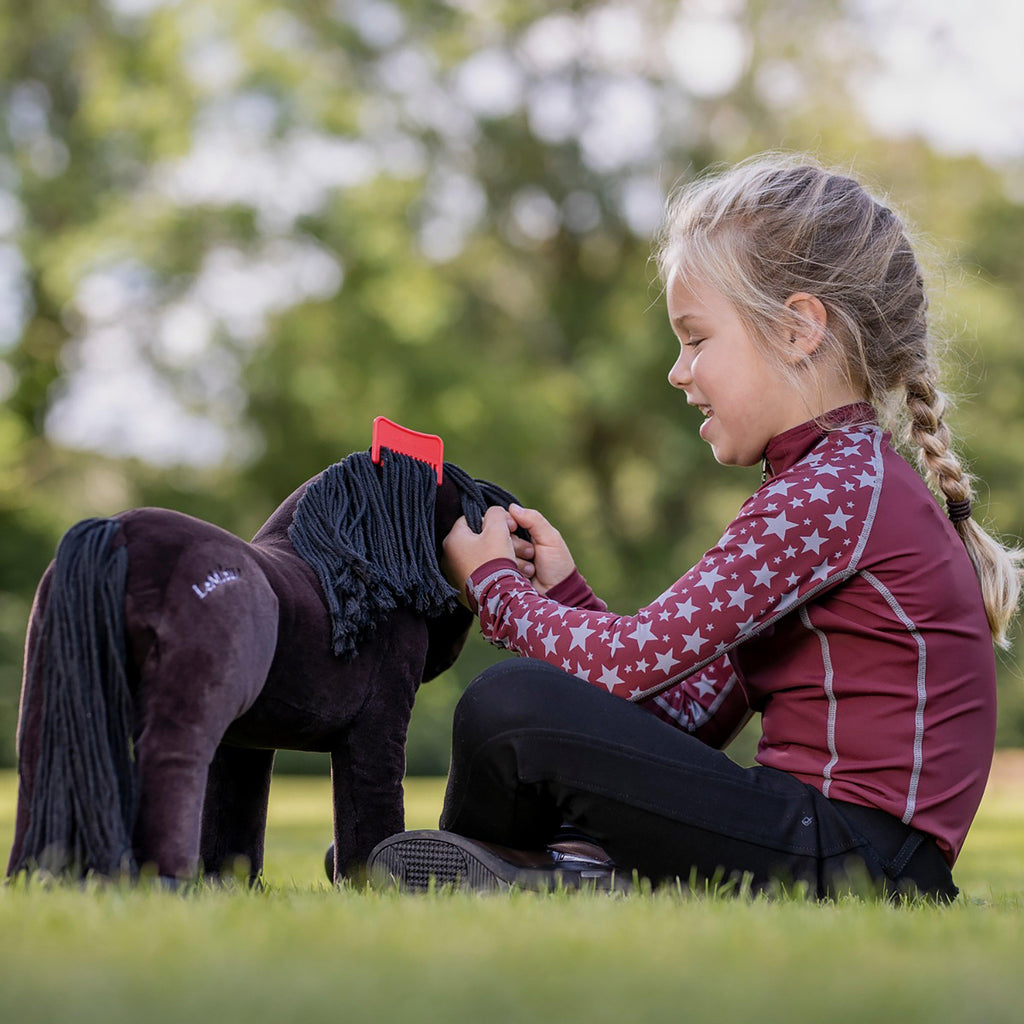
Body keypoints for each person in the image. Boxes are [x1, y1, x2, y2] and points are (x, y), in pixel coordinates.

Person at [367, 154, 1022, 899]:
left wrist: (493, 586)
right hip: (839, 849)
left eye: (697, 339)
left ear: (798, 329)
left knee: (510, 706)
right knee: (518, 712)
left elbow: (633, 664)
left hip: (856, 858)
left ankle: (496, 871)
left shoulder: (834, 492)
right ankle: (528, 873)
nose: (678, 370)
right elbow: (689, 715)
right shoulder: (837, 483)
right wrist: (570, 596)